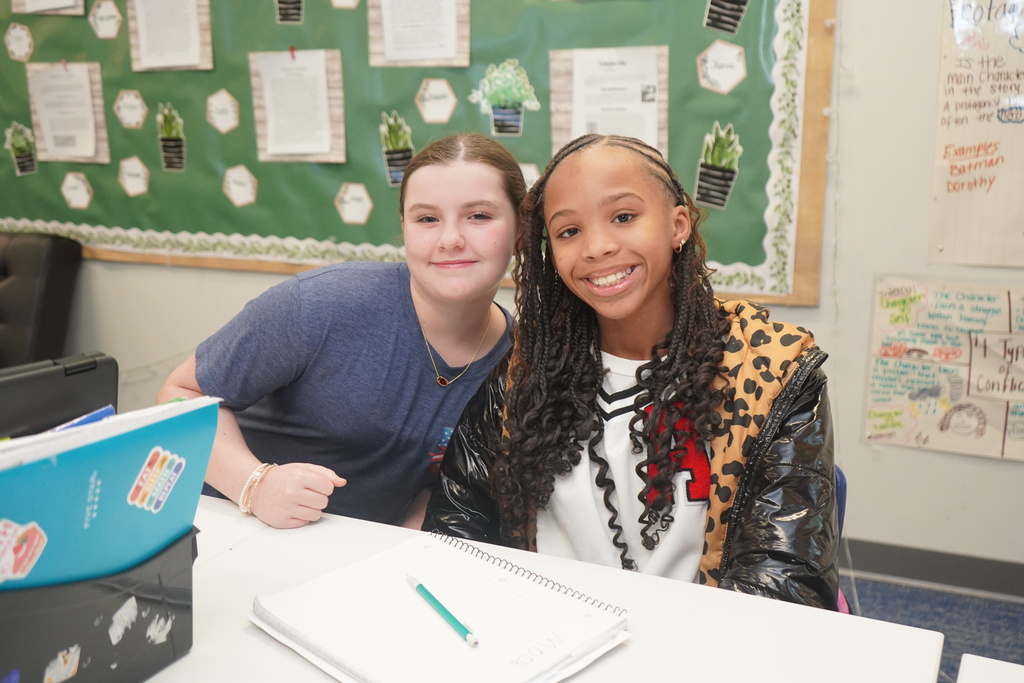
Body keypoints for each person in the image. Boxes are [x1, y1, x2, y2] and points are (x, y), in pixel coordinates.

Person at [423, 134, 839, 609]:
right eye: (568, 231)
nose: (597, 247)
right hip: (546, 636)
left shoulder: (771, 372)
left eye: (623, 217)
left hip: (696, 646)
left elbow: (784, 582)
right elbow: (459, 524)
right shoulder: (529, 372)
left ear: (677, 224)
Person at [159, 133, 525, 530]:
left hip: (347, 558)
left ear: (521, 227)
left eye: (479, 216)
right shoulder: (321, 305)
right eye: (427, 219)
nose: (451, 239)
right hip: (220, 527)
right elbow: (177, 397)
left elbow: (439, 483)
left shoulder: (521, 359)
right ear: (403, 228)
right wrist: (254, 484)